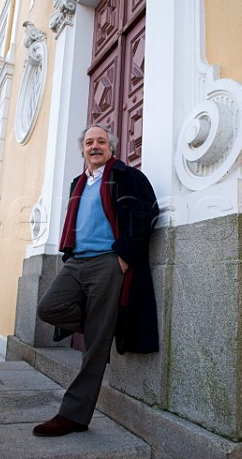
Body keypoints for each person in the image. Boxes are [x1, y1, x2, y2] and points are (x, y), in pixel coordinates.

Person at [33, 123, 159, 437]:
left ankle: (73, 415)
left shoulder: (127, 176)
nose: (95, 146)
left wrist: (124, 257)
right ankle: (103, 325)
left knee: (94, 347)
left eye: (101, 141)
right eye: (89, 142)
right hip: (76, 262)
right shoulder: (79, 182)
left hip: (108, 262)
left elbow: (147, 213)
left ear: (111, 147)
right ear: (83, 149)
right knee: (48, 308)